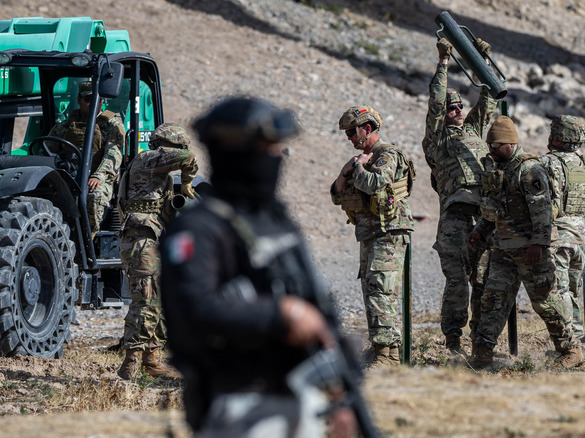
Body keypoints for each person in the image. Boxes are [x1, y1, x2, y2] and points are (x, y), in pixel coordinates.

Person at [160, 97, 356, 437]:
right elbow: (194, 309)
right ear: (238, 152)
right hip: (237, 405)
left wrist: (342, 395)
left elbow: (319, 308)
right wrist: (281, 314)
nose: (277, 157)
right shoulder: (199, 228)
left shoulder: (275, 220)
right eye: (268, 148)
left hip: (303, 401)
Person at [467, 116, 578, 369]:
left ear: (509, 143)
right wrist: (479, 230)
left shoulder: (530, 171)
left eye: (495, 146)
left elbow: (543, 212)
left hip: (531, 251)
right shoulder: (499, 170)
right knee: (493, 300)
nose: (491, 151)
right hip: (504, 249)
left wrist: (538, 245)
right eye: (489, 147)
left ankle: (570, 350)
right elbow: (494, 209)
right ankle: (483, 352)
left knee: (546, 302)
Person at [422, 36, 497, 352]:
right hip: (455, 215)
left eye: (459, 105)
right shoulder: (437, 139)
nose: (455, 109)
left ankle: (482, 342)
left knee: (483, 280)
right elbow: (436, 102)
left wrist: (481, 60)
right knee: (457, 282)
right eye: (451, 107)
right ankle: (453, 340)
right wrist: (443, 62)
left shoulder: (474, 131)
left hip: (483, 214)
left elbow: (490, 95)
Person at [331, 105, 414, 367]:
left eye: (352, 132)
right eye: (346, 134)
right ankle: (385, 352)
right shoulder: (362, 161)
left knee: (381, 290)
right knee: (372, 290)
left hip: (388, 231)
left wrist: (357, 169)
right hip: (370, 233)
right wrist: (348, 169)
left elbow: (374, 184)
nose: (350, 139)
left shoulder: (388, 155)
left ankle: (387, 357)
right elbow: (336, 194)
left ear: (367, 129)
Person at [116, 122, 198, 380]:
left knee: (161, 300)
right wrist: (187, 183)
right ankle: (130, 362)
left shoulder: (157, 173)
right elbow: (189, 158)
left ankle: (151, 359)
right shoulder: (147, 160)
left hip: (152, 238)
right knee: (146, 301)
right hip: (142, 239)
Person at [539, 115, 585, 351]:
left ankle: (570, 347)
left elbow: (551, 205)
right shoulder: (581, 163)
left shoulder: (549, 162)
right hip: (579, 237)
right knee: (572, 292)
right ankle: (578, 339)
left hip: (560, 237)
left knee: (558, 293)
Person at [48, 81, 125, 234]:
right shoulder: (67, 125)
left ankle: (88, 239)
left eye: (97, 99)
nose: (93, 103)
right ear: (79, 100)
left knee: (93, 196)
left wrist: (99, 176)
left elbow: (113, 154)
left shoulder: (112, 124)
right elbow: (46, 149)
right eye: (88, 99)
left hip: (99, 177)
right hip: (70, 175)